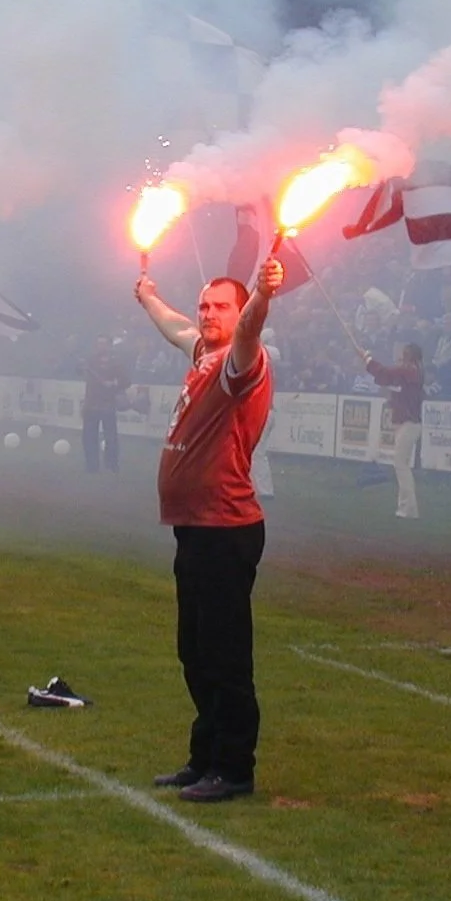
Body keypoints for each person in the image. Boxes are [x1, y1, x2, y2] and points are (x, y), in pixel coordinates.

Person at [135, 257, 282, 805]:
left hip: (226, 526)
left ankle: (233, 768)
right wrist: (148, 295)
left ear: (239, 311)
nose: (208, 313)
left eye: (221, 305)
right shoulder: (203, 352)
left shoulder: (243, 361)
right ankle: (205, 757)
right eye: (204, 304)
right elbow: (177, 327)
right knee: (193, 651)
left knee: (224, 656)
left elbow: (249, 330)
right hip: (194, 527)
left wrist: (263, 297)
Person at [361, 342, 424, 518]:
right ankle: (405, 507)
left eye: (404, 354)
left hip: (409, 423)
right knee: (401, 464)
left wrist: (368, 359)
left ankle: (409, 508)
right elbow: (385, 378)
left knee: (401, 464)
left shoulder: (411, 370)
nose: (401, 358)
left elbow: (385, 374)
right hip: (406, 422)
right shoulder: (412, 372)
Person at [79, 335, 126, 474]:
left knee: (111, 438)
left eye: (104, 344)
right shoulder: (90, 360)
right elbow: (78, 371)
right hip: (91, 404)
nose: (101, 346)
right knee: (89, 437)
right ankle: (91, 466)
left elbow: (126, 380)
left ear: (109, 346)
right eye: (98, 343)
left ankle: (112, 465)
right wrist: (80, 365)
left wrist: (113, 383)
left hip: (107, 405)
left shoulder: (116, 362)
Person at [250, 328, 283, 499]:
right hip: (264, 411)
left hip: (263, 412)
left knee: (257, 453)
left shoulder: (265, 355)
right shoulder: (264, 361)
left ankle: (264, 491)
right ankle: (255, 488)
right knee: (254, 452)